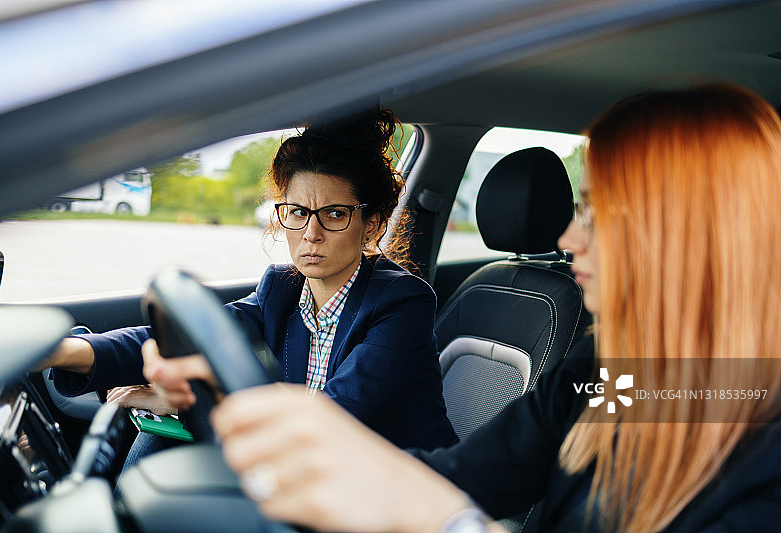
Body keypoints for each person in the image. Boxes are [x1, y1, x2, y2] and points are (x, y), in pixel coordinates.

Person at [208, 84, 781, 533]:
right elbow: (471, 474)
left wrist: (447, 523)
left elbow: (448, 502)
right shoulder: (606, 373)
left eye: (601, 216)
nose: (570, 240)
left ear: (692, 237)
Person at [46, 107, 458, 462]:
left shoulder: (403, 302)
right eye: (297, 212)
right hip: (308, 470)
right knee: (156, 443)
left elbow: (334, 416)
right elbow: (191, 337)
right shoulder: (280, 290)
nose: (310, 233)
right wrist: (62, 350)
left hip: (397, 489)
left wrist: (187, 402)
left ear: (371, 226)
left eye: (333, 214)